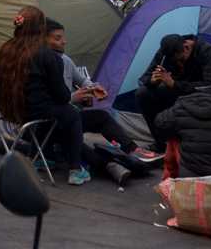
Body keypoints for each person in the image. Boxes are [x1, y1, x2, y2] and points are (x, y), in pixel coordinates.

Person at [0, 7, 90, 184]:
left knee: (48, 109)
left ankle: (41, 156)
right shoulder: (46, 55)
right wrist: (74, 96)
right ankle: (76, 169)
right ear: (41, 30)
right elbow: (62, 96)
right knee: (70, 113)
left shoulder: (6, 48)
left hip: (6, 111)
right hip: (32, 113)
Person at [45, 19, 162, 164]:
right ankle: (106, 165)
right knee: (86, 150)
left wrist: (93, 87)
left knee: (101, 116)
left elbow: (81, 80)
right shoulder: (41, 65)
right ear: (43, 40)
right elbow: (45, 101)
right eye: (57, 38)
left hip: (69, 116)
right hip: (50, 122)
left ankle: (133, 151)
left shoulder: (65, 60)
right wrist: (74, 97)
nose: (64, 42)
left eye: (63, 37)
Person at [135, 33, 211, 152]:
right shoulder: (165, 51)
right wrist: (152, 81)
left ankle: (186, 145)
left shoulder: (206, 50)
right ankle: (161, 142)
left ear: (186, 47)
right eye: (175, 62)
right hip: (173, 91)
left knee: (173, 94)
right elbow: (145, 77)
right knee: (143, 93)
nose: (179, 63)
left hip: (196, 94)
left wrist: (175, 84)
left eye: (181, 60)